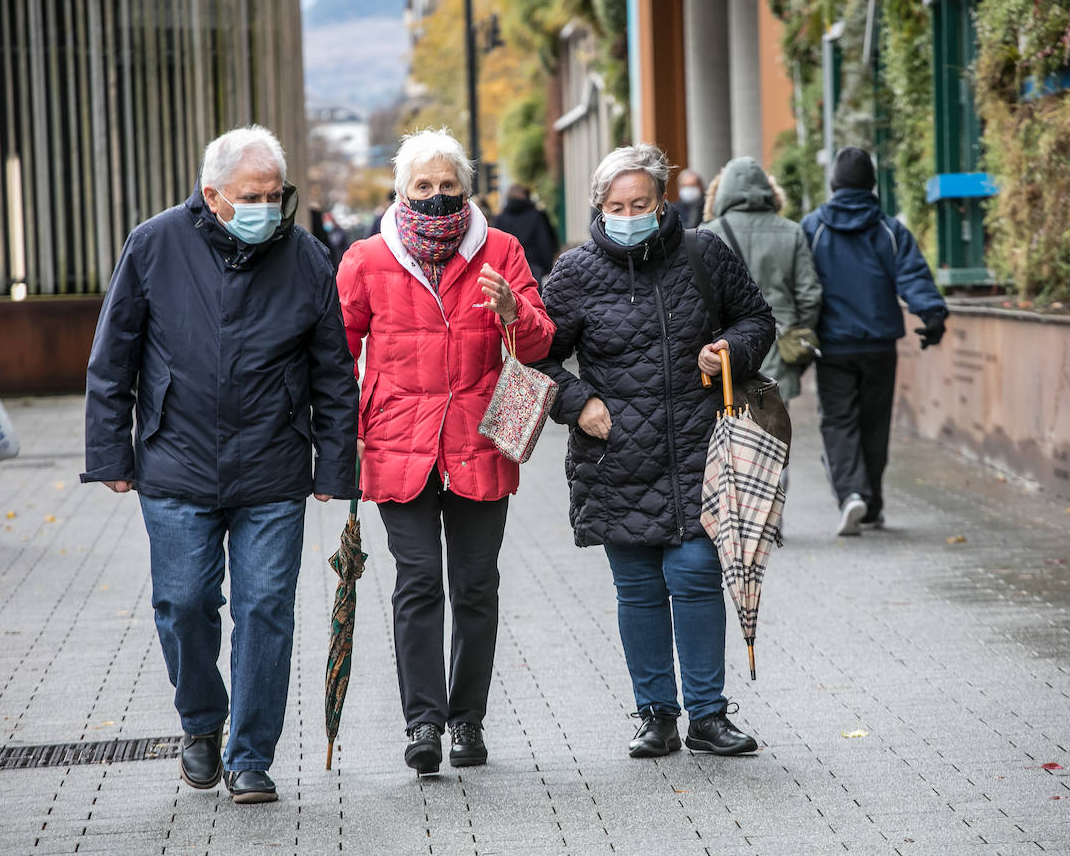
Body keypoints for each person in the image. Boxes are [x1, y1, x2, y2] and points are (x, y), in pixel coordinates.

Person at [81, 126, 360, 805]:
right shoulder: (154, 244)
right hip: (175, 462)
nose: (269, 206)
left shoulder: (305, 255)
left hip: (272, 465)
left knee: (267, 609)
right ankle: (201, 724)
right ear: (211, 195)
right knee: (185, 605)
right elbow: (113, 356)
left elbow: (333, 369)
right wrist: (109, 453)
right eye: (252, 196)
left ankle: (252, 757)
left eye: (277, 194)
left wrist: (336, 468)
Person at [534, 144, 775, 760]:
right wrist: (577, 401)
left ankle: (709, 714)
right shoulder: (574, 273)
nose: (629, 213)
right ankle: (655, 715)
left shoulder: (704, 252)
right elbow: (537, 355)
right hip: (616, 453)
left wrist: (728, 350)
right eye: (616, 205)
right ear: (599, 207)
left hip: (702, 443)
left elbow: (755, 320)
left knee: (694, 573)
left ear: (661, 200)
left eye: (640, 202)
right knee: (638, 586)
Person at [336, 128, 554, 776]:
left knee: (476, 585)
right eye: (423, 186)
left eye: (447, 185)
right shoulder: (367, 260)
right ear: (401, 191)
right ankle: (424, 720)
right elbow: (336, 353)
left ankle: (468, 720)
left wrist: (516, 311)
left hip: (480, 441)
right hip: (398, 443)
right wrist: (343, 428)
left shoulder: (503, 251)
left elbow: (541, 344)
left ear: (467, 188)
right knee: (420, 580)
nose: (436, 196)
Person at [800, 146, 947, 536]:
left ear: (834, 184)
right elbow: (912, 275)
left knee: (838, 422)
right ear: (871, 185)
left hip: (832, 346)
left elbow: (801, 283)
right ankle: (873, 504)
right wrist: (931, 314)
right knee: (874, 424)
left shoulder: (813, 228)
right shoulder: (889, 230)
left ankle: (851, 495)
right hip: (880, 344)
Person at [701, 157, 822, 403]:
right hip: (778, 344)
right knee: (774, 429)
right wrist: (794, 330)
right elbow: (810, 294)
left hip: (725, 352)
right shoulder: (791, 231)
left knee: (727, 430)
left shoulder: (707, 234)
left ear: (722, 190)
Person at [491, 184, 559, 283]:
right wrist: (548, 267)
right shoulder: (537, 215)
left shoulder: (499, 219)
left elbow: (496, 246)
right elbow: (544, 242)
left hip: (508, 271)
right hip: (533, 269)